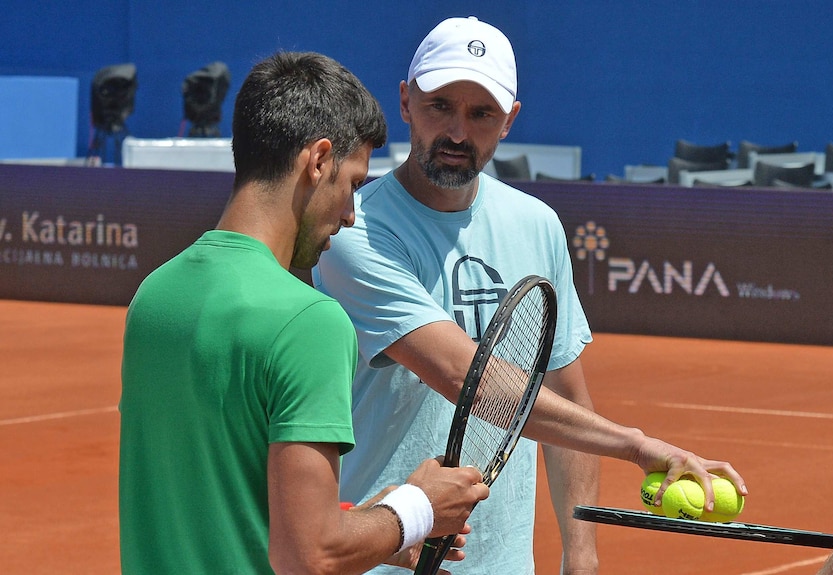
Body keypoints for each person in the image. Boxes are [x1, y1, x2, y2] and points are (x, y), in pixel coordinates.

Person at [313, 16, 748, 575]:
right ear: (404, 101)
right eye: (439, 105)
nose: (457, 133)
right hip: (382, 561)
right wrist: (638, 446)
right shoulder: (355, 232)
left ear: (510, 119)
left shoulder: (537, 223)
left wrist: (581, 553)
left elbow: (565, 393)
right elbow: (462, 373)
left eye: (481, 113)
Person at [118, 50, 490, 575]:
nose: (349, 214)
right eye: (353, 184)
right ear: (317, 162)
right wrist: (419, 506)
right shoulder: (309, 321)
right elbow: (310, 554)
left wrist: (373, 524)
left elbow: (225, 498)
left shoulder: (153, 297)